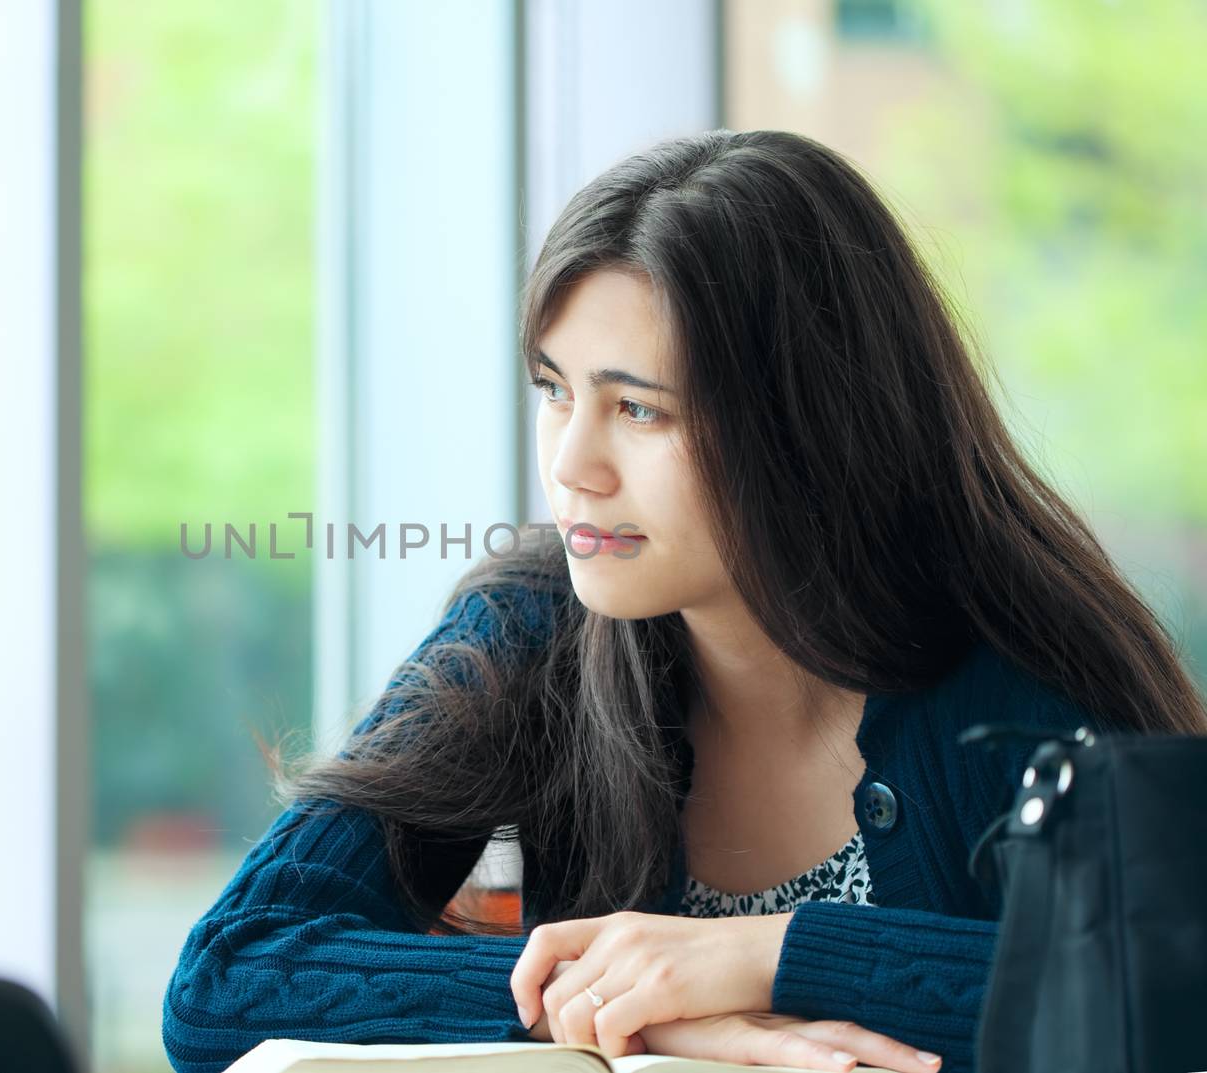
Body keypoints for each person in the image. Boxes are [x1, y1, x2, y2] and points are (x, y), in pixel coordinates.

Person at [160, 129, 1207, 1073]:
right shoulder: (528, 632)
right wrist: (619, 1004)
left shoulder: (1015, 681)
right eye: (554, 390)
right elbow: (226, 977)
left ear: (808, 423)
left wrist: (769, 956)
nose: (572, 463)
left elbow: (1161, 998)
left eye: (637, 409)